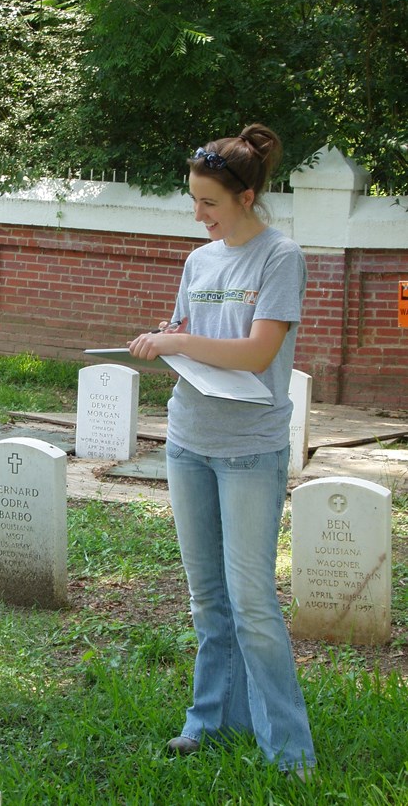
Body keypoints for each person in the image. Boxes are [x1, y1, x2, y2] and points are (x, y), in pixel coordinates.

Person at [128, 124, 316, 780]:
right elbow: (191, 333)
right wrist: (166, 336)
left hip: (248, 450)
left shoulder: (279, 257)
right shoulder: (198, 261)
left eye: (209, 202)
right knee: (208, 600)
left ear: (247, 195)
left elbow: (258, 352)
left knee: (253, 603)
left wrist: (180, 344)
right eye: (194, 201)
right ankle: (210, 721)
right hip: (190, 441)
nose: (199, 214)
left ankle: (289, 752)